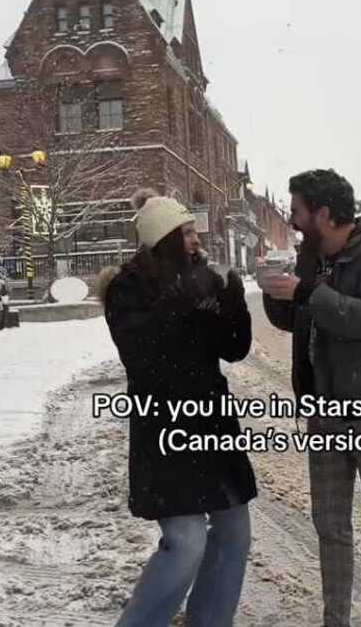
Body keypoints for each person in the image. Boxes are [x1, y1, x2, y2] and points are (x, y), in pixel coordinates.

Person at [259, 169, 361, 627]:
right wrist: (278, 298)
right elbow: (305, 320)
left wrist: (307, 292)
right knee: (331, 530)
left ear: (323, 213)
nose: (292, 218)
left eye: (298, 210)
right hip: (325, 414)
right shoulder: (311, 257)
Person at [103, 189, 256, 626]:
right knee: (187, 541)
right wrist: (178, 300)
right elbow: (140, 353)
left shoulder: (200, 275)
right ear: (164, 237)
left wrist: (233, 303)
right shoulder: (126, 287)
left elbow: (234, 348)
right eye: (186, 232)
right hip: (163, 431)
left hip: (213, 425)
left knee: (234, 532)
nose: (195, 239)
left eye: (193, 230)